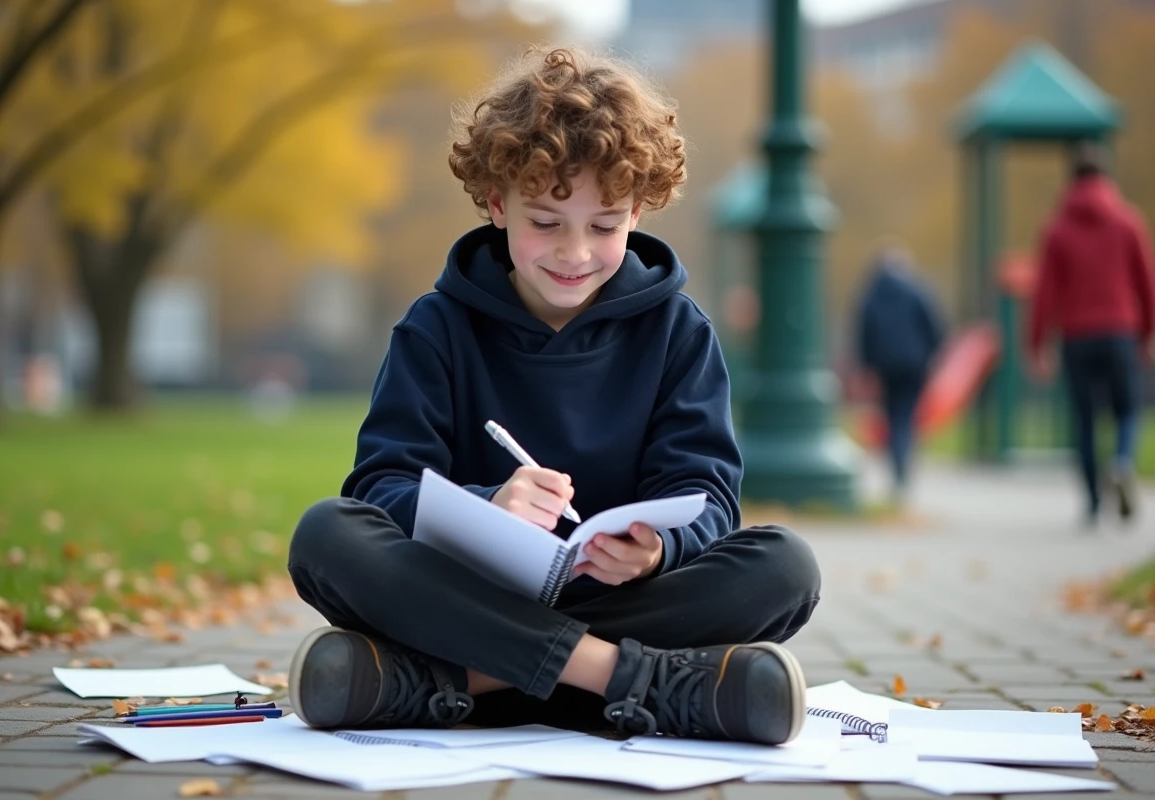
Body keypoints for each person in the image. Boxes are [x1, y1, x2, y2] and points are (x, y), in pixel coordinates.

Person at [284, 46, 821, 744]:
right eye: (545, 223)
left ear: (639, 210)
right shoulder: (435, 327)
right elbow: (379, 488)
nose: (574, 254)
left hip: (603, 601)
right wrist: (488, 507)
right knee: (326, 535)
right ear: (497, 204)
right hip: (465, 593)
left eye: (605, 226)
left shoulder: (679, 331)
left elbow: (709, 498)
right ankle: (638, 682)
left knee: (785, 567)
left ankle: (448, 685)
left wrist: (659, 547)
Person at [1028, 142, 1155, 526]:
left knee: (1083, 419)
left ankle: (1092, 503)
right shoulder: (1128, 221)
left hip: (1076, 335)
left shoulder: (1057, 229)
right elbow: (1146, 282)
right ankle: (1121, 461)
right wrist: (1149, 332)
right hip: (1120, 329)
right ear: (1106, 176)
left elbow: (1044, 292)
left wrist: (1036, 344)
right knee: (1127, 409)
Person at [856, 242, 945, 499]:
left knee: (893, 416)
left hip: (885, 366)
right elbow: (933, 325)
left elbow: (864, 333)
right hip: (914, 363)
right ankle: (903, 467)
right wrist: (931, 353)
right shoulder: (916, 290)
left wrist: (866, 366)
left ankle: (898, 467)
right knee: (906, 416)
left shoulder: (871, 295)